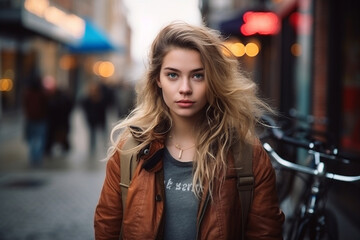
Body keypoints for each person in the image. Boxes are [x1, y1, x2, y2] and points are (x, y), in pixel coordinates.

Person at [94, 22, 285, 239]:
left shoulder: (247, 155)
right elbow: (106, 228)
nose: (185, 89)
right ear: (158, 79)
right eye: (173, 75)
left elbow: (265, 233)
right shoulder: (130, 150)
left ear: (213, 80)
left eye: (197, 76)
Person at [23, 75, 48, 167]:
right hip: (40, 119)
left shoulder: (28, 94)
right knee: (39, 139)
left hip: (30, 119)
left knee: (32, 140)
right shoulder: (42, 94)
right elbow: (46, 106)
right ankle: (37, 158)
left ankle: (33, 158)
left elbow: (25, 106)